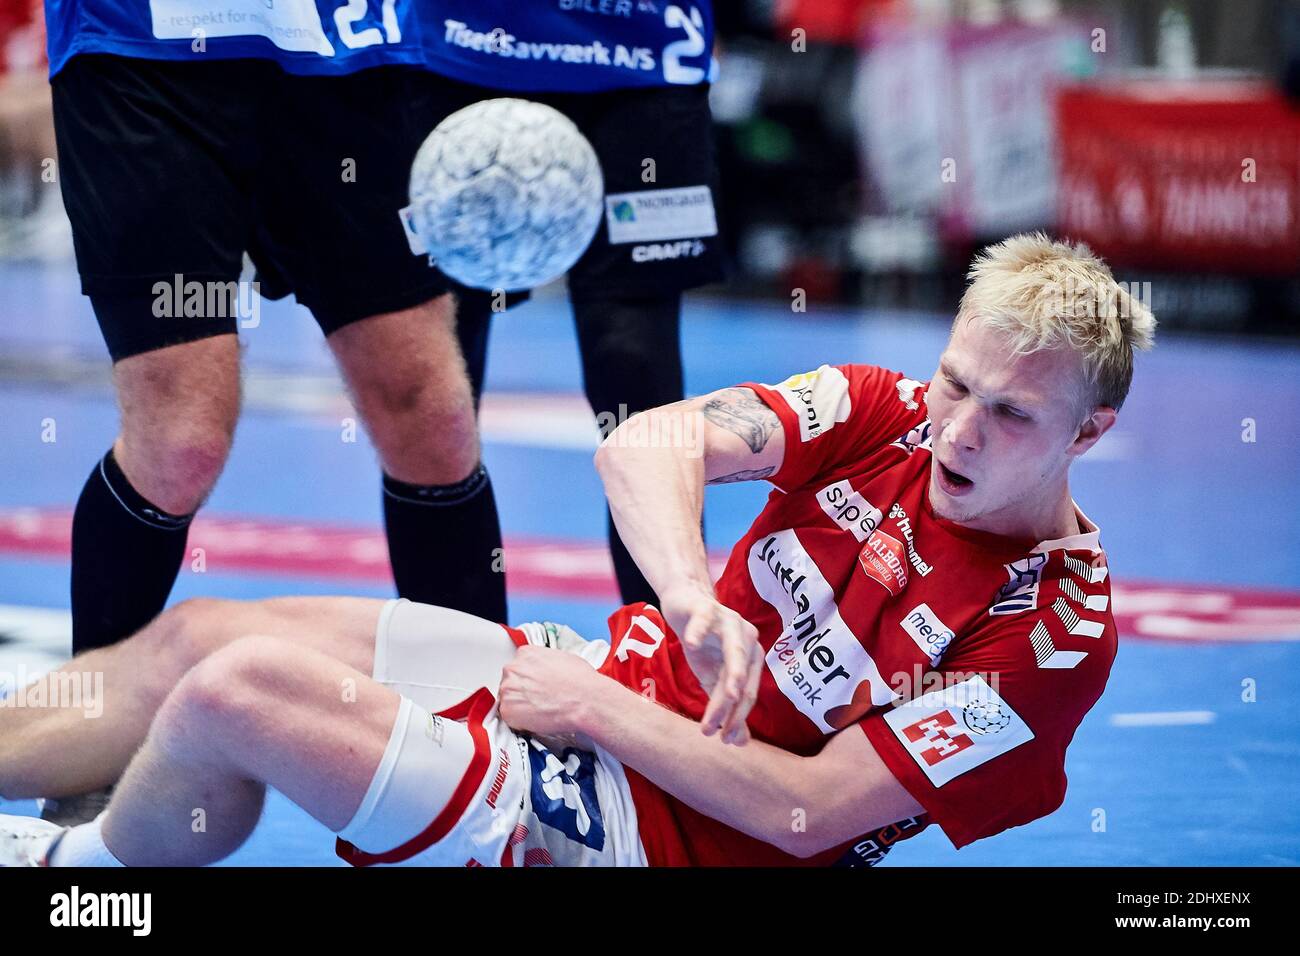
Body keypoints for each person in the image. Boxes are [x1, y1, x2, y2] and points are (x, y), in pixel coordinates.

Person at [0, 234, 1155, 866]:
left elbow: (806, 814)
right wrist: (693, 597)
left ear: (1088, 434)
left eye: (1009, 414)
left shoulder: (1050, 631)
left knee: (236, 693)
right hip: (604, 690)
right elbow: (644, 445)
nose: (957, 425)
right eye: (958, 378)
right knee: (201, 632)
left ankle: (72, 881)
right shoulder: (884, 409)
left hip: (665, 839)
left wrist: (599, 712)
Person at [418, 1, 725, 606]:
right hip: (462, 47)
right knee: (438, 390)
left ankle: (667, 654)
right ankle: (453, 666)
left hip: (643, 49)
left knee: (638, 379)